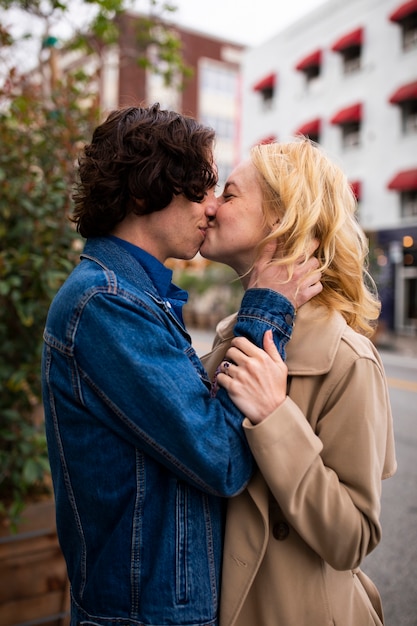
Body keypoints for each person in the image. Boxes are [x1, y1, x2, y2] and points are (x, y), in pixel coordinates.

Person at [41, 104, 322, 625]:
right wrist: (265, 306)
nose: (211, 208)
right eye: (199, 190)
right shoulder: (104, 303)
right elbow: (221, 459)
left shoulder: (132, 296)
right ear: (147, 192)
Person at [199, 138, 397, 626]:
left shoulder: (347, 358)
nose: (211, 206)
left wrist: (275, 418)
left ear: (283, 219)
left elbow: (352, 537)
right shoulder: (231, 337)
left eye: (229, 193)